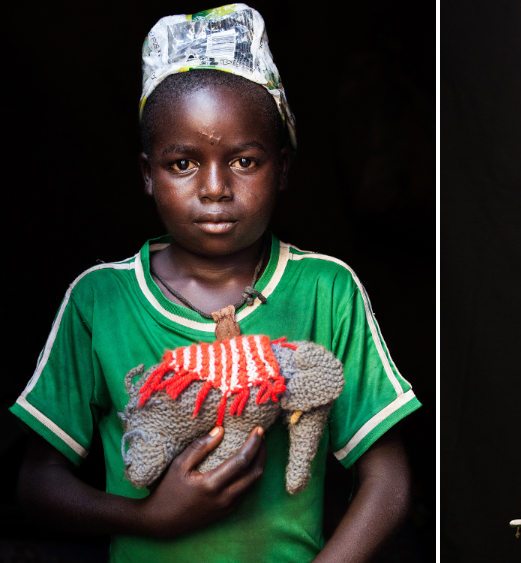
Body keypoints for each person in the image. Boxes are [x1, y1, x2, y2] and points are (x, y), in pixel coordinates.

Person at [10, 5, 420, 563]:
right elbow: (36, 484)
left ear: (283, 167)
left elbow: (388, 481)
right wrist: (149, 519)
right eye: (182, 164)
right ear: (147, 174)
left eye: (245, 161)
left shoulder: (327, 290)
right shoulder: (99, 300)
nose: (215, 188)